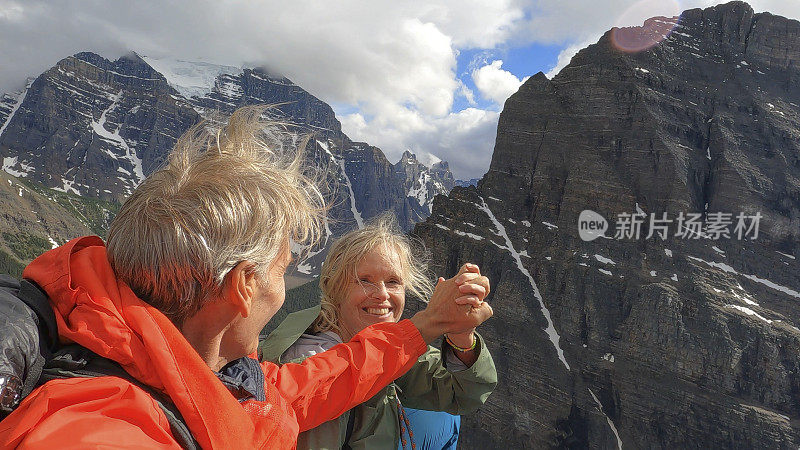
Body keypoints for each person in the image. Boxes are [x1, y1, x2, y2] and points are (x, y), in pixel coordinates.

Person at [0, 106, 493, 449]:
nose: (284, 290)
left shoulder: (224, 376)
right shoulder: (102, 425)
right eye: (282, 271)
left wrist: (428, 325)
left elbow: (320, 382)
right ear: (243, 287)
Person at [259, 216, 497, 449]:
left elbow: (462, 393)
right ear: (335, 288)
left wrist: (461, 335)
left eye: (393, 281)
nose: (382, 294)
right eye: (365, 280)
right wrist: (432, 321)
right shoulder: (308, 356)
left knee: (445, 418)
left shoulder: (383, 347)